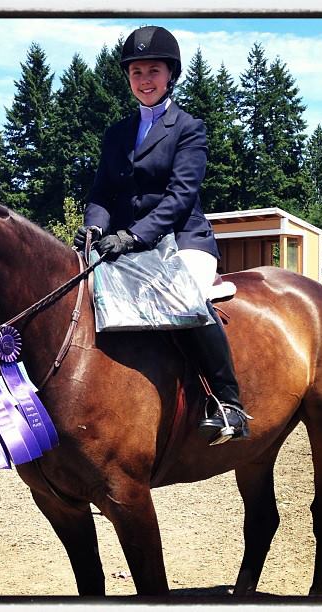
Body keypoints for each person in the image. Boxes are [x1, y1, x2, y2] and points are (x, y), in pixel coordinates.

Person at [73, 25, 250, 444]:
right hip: (124, 243)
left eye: (153, 70)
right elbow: (102, 193)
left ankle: (229, 404)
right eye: (136, 72)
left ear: (171, 74)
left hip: (183, 238)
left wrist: (132, 236)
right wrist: (95, 226)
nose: (144, 79)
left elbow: (180, 197)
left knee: (187, 296)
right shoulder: (117, 134)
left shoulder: (189, 128)